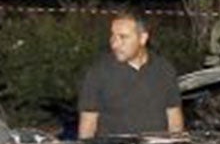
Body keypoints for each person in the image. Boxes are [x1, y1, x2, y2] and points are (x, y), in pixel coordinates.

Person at [78, 9, 183, 137]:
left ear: (143, 38)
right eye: (113, 36)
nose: (115, 44)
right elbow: (88, 124)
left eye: (123, 37)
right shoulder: (99, 72)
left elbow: (174, 118)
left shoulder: (164, 70)